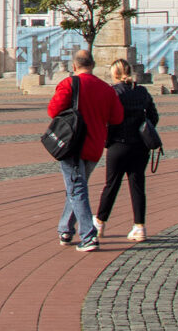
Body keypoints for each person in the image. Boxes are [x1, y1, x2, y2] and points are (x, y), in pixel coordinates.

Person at [47, 49, 123, 252]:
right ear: (93, 65)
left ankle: (88, 235)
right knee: (76, 187)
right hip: (95, 145)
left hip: (72, 144)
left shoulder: (69, 84)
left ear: (74, 66)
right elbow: (116, 118)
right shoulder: (106, 89)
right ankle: (65, 228)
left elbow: (53, 110)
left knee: (77, 189)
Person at [95, 59, 157, 243]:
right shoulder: (141, 91)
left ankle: (100, 222)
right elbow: (154, 116)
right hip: (140, 145)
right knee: (137, 185)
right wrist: (143, 129)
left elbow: (108, 119)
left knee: (111, 185)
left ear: (114, 74)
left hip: (119, 144)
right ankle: (140, 226)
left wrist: (108, 140)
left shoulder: (113, 93)